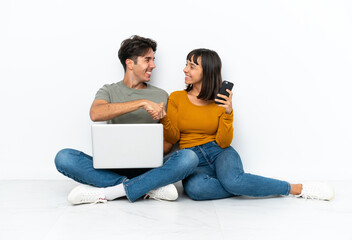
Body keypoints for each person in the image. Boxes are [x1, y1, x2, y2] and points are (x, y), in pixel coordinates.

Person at [156, 48, 334, 201]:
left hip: (219, 151)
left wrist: (228, 113)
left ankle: (297, 189)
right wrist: (164, 118)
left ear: (208, 71)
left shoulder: (220, 101)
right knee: (196, 191)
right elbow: (174, 137)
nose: (185, 69)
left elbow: (224, 142)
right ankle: (256, 184)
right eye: (186, 64)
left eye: (192, 66)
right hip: (191, 157)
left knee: (233, 181)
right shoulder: (176, 97)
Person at [54, 35, 199, 205]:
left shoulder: (161, 96)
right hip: (111, 166)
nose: (153, 65)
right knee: (64, 157)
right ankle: (147, 188)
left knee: (189, 157)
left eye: (153, 59)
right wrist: (141, 103)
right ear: (130, 63)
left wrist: (157, 133)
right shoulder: (109, 90)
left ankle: (111, 192)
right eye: (147, 60)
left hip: (150, 168)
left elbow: (168, 144)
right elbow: (96, 113)